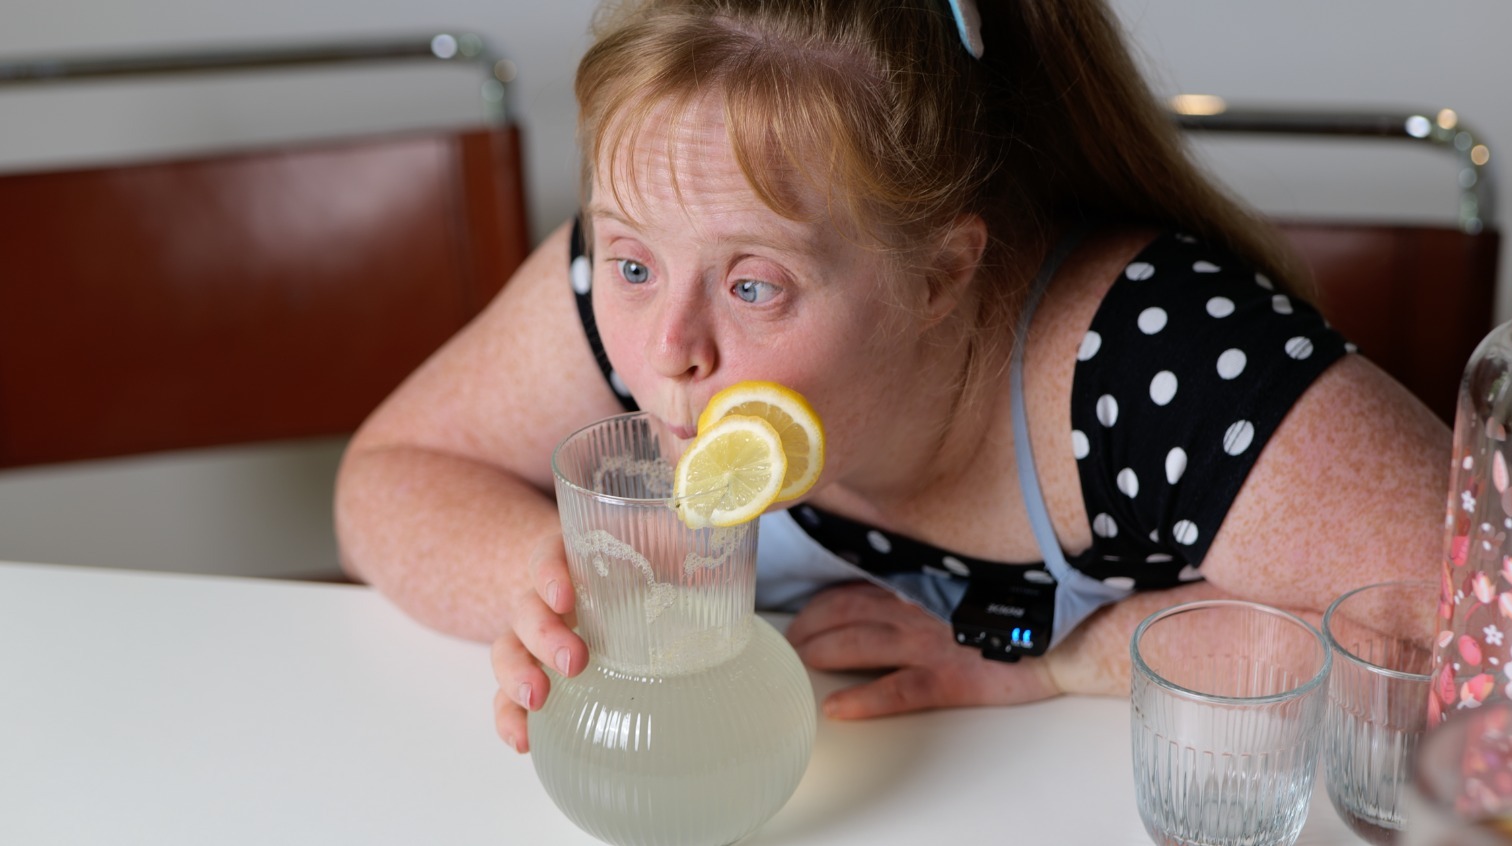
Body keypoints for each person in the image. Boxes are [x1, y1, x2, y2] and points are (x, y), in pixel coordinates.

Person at [333, 0, 1450, 755]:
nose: (667, 346)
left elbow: (1499, 655)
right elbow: (391, 473)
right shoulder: (637, 281)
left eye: (756, 287)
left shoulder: (1168, 365)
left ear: (938, 274)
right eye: (630, 259)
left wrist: (1058, 664)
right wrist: (547, 575)